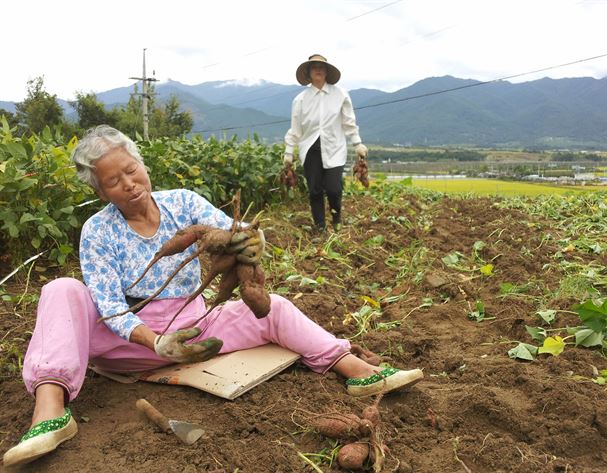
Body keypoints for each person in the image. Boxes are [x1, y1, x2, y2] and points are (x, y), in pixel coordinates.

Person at [2, 125, 423, 468]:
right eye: (113, 181)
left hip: (197, 327)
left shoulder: (184, 203)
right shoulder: (98, 230)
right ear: (100, 191)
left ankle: (356, 370)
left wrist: (248, 243)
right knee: (62, 289)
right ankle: (51, 413)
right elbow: (110, 307)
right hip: (127, 342)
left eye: (132, 170)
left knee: (274, 307)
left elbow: (240, 232)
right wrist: (156, 340)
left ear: (142, 164)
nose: (129, 185)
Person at [284, 54, 368, 233]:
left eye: (321, 67)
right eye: (314, 67)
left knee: (333, 188)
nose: (318, 70)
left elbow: (348, 121)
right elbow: (295, 129)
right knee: (314, 190)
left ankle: (337, 219)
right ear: (308, 72)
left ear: (327, 71)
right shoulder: (300, 100)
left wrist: (357, 143)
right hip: (310, 149)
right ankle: (320, 226)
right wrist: (289, 152)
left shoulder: (340, 95)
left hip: (334, 148)